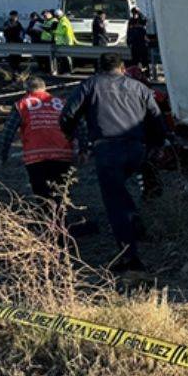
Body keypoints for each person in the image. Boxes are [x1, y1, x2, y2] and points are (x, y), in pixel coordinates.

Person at [59, 52, 163, 272]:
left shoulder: (90, 85)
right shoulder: (139, 87)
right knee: (122, 193)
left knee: (115, 202)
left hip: (107, 149)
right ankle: (136, 226)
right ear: (122, 67)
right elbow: (157, 118)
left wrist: (74, 136)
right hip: (136, 149)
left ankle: (130, 259)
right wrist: (154, 146)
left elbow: (67, 115)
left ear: (99, 67)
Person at [0, 76, 78, 205]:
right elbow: (79, 125)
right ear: (45, 88)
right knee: (60, 193)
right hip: (62, 153)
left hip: (36, 156)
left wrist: (2, 155)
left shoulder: (22, 104)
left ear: (27, 90)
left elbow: (8, 132)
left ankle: (48, 222)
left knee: (42, 195)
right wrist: (84, 148)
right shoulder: (61, 103)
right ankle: (60, 221)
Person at [51, 9, 77, 74]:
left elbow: (62, 32)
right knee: (64, 58)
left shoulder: (63, 22)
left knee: (65, 59)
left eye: (56, 16)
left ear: (58, 16)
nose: (56, 18)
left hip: (64, 42)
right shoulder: (63, 20)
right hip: (64, 42)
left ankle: (67, 71)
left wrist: (53, 32)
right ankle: (65, 71)